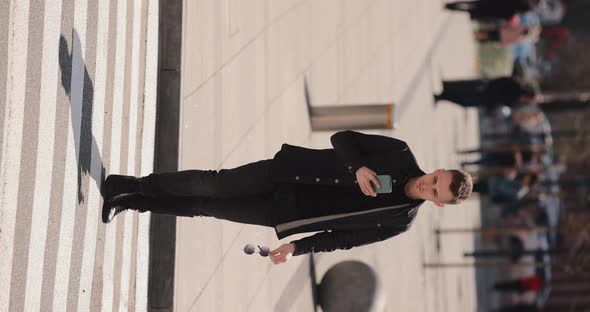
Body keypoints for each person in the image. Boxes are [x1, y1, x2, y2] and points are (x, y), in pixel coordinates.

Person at [101, 130, 473, 264]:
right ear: (438, 169)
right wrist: (357, 167)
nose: (429, 186)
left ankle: (132, 202)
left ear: (439, 202)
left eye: (436, 192)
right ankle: (133, 183)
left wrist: (298, 248)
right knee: (211, 184)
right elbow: (342, 138)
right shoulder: (400, 153)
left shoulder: (399, 221)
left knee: (205, 207)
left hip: (286, 213)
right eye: (436, 179)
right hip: (285, 173)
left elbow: (344, 240)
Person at [434, 75, 539, 109]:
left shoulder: (517, 85)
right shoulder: (516, 93)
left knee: (464, 92)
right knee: (464, 99)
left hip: (487, 91)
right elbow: (504, 101)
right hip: (487, 94)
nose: (527, 101)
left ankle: (444, 93)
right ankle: (443, 95)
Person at [444, 0, 540, 21]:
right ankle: (451, 7)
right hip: (492, 10)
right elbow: (507, 17)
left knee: (471, 4)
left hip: (492, 4)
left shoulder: (519, 6)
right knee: (471, 8)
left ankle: (451, 6)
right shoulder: (519, 11)